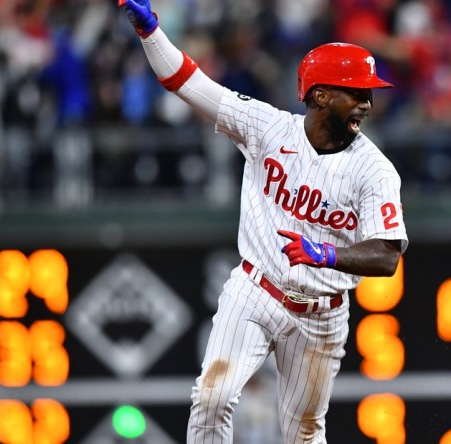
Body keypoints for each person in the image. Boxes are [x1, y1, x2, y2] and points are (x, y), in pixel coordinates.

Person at [119, 0, 409, 442]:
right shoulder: (268, 128)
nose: (367, 103)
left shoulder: (375, 170)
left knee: (304, 436)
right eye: (356, 91)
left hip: (321, 315)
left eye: (369, 93)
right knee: (212, 398)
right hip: (256, 291)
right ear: (320, 95)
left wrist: (326, 254)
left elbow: (387, 256)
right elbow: (186, 82)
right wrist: (150, 33)